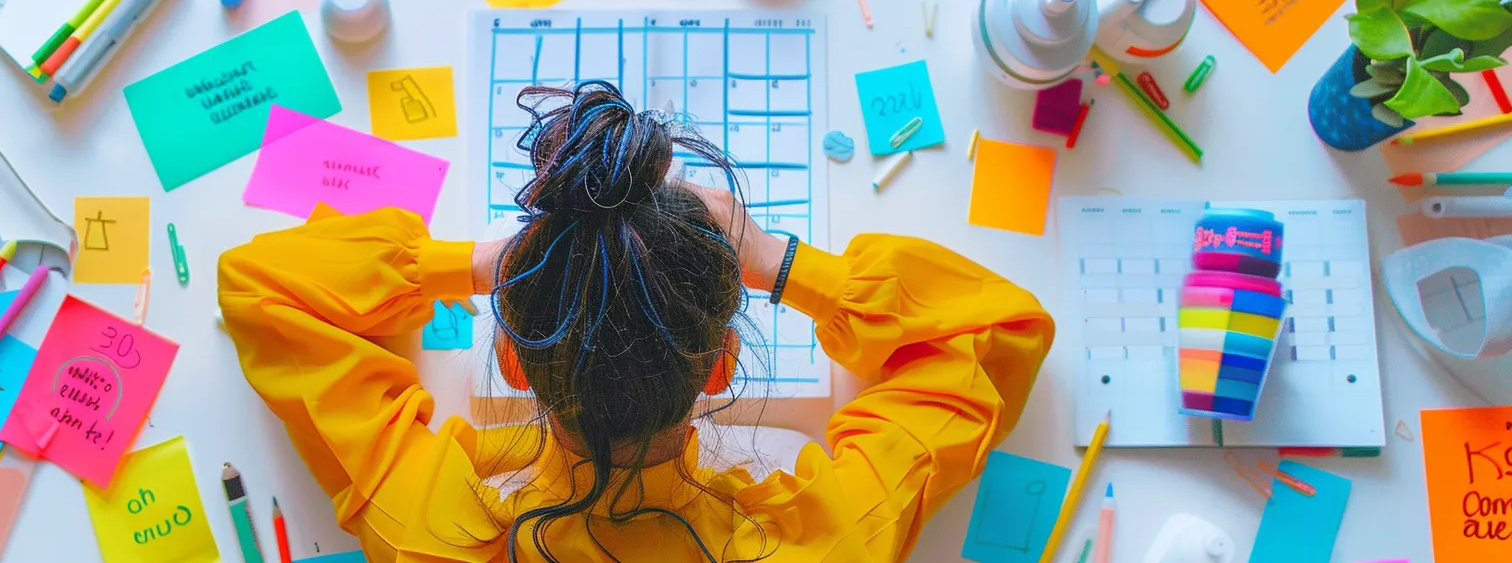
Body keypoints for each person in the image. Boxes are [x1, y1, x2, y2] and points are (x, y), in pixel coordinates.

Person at [218, 81, 1055, 562]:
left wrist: (477, 264)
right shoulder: (815, 548)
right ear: (721, 367)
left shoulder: (432, 530)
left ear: (512, 363)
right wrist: (781, 263)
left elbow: (260, 287)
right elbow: (1002, 333)